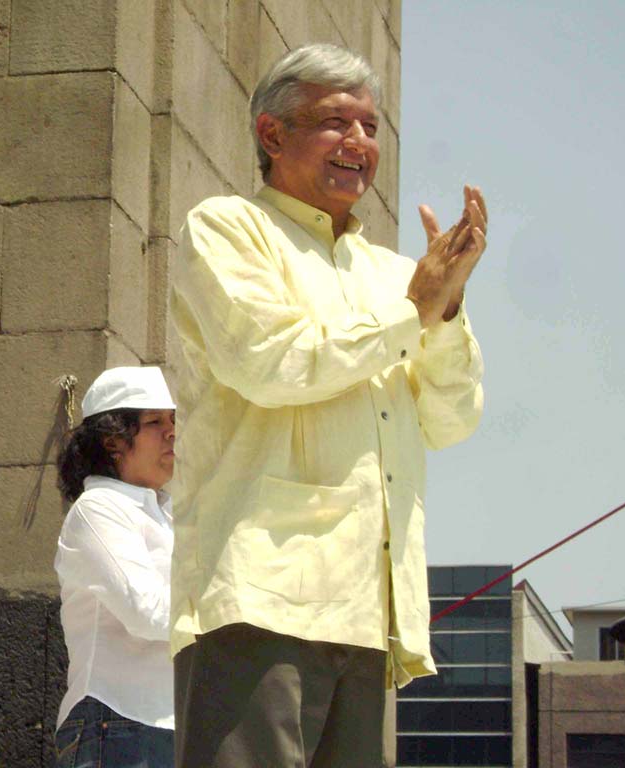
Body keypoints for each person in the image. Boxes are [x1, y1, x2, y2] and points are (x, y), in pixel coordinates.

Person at [168, 43, 487, 767]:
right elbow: (272, 362)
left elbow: (452, 419)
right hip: (261, 594)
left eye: (371, 127)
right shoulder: (228, 229)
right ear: (271, 134)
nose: (359, 144)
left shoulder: (395, 274)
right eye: (335, 122)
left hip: (373, 614)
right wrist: (414, 312)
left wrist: (443, 311)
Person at [53, 366, 176, 768]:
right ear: (112, 441)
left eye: (173, 420)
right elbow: (147, 613)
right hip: (116, 725)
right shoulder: (99, 508)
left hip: (171, 725)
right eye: (155, 421)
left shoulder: (168, 513)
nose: (171, 432)